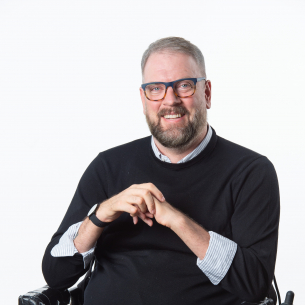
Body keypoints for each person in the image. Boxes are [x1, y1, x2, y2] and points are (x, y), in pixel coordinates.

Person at [42, 37, 280, 305]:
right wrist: (100, 215)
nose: (170, 100)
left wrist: (177, 221)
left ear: (207, 93)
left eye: (184, 86)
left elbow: (255, 284)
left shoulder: (251, 172)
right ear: (143, 99)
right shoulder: (108, 166)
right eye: (156, 88)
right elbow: (56, 275)